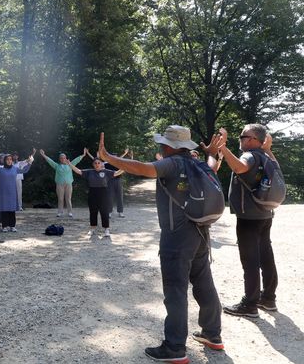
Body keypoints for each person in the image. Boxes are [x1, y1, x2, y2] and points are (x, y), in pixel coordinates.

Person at [98, 126, 223, 363]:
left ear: (170, 146)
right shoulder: (197, 163)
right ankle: (212, 334)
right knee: (204, 283)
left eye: (162, 144)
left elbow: (145, 169)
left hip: (177, 236)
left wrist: (108, 158)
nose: (160, 147)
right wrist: (213, 153)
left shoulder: (172, 162)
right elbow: (213, 166)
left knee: (175, 291)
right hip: (201, 232)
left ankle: (175, 348)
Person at [210, 125, 280, 317]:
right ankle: (268, 299)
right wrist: (268, 148)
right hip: (266, 213)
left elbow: (240, 167)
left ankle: (249, 304)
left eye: (243, 136)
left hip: (249, 217)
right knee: (266, 255)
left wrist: (223, 147)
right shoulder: (266, 155)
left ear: (253, 140)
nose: (240, 139)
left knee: (250, 261)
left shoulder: (249, 155)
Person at [68, 148, 122, 239]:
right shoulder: (89, 172)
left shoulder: (106, 172)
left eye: (98, 163)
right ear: (93, 165)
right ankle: (92, 229)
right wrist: (69, 164)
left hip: (104, 193)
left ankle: (106, 230)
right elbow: (78, 171)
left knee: (104, 212)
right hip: (92, 193)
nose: (97, 164)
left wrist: (126, 167)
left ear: (101, 164)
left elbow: (117, 173)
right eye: (95, 163)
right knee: (93, 212)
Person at [0, 153, 31, 231]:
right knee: (4, 209)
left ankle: (12, 226)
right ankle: (4, 226)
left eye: (10, 159)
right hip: (3, 192)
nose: (9, 161)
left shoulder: (15, 168)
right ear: (4, 161)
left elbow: (24, 170)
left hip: (12, 192)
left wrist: (30, 163)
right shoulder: (0, 169)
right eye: (7, 159)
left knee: (12, 209)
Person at [39, 149, 84, 217]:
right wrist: (43, 155)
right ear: (59, 159)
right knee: (60, 198)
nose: (63, 159)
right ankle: (60, 212)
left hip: (68, 184)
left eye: (64, 158)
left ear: (66, 158)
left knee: (68, 198)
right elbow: (50, 161)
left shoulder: (70, 165)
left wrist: (83, 155)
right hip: (60, 184)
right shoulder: (57, 166)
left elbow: (77, 160)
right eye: (61, 158)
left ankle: (70, 212)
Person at [0, 145, 35, 211]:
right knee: (10, 193)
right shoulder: (10, 163)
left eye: (16, 155)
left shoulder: (20, 163)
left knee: (19, 193)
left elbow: (29, 160)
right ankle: (11, 206)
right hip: (11, 180)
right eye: (14, 155)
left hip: (18, 180)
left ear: (18, 156)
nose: (15, 156)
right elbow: (2, 157)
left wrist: (33, 153)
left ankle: (19, 206)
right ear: (12, 156)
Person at [105, 148, 130, 218]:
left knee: (120, 196)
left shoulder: (119, 164)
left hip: (118, 180)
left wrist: (125, 153)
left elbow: (121, 159)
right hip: (110, 181)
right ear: (111, 157)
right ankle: (109, 211)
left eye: (116, 157)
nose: (115, 158)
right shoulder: (106, 164)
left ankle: (120, 212)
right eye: (114, 157)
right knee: (109, 197)